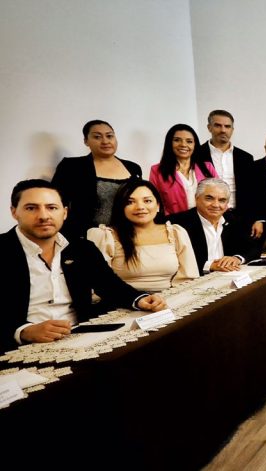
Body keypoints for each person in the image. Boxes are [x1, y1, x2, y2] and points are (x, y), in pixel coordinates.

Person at [2, 179, 166, 352]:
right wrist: (23, 331)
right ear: (14, 212)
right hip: (18, 348)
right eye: (31, 208)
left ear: (64, 212)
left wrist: (140, 299)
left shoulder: (81, 248)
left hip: (80, 339)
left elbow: (111, 286)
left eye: (52, 207)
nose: (43, 216)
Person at [87, 179, 200, 291]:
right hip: (123, 300)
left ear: (158, 206)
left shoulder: (176, 232)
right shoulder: (104, 236)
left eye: (147, 201)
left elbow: (188, 280)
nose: (140, 207)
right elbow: (97, 283)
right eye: (130, 202)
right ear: (121, 207)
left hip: (169, 298)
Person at [52, 119, 143, 240]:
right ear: (86, 141)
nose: (105, 141)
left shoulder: (133, 168)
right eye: (97, 137)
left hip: (128, 235)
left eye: (109, 136)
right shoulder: (72, 166)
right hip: (86, 237)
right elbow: (55, 201)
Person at [169, 178, 259, 272]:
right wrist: (209, 266)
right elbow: (172, 260)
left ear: (227, 204)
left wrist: (237, 258)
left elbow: (253, 247)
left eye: (222, 200)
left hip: (227, 275)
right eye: (209, 198)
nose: (216, 205)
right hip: (195, 278)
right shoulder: (178, 224)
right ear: (196, 198)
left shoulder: (233, 220)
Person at [148, 124, 218, 217]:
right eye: (177, 140)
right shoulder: (157, 171)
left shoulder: (207, 167)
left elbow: (220, 194)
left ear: (195, 145)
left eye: (189, 141)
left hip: (207, 220)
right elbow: (154, 202)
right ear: (169, 143)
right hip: (174, 222)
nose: (183, 145)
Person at [193, 110, 255, 209]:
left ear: (232, 130)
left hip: (240, 214)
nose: (223, 130)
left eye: (227, 126)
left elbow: (251, 190)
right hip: (208, 212)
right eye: (218, 125)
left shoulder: (246, 158)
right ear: (209, 127)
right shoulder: (196, 155)